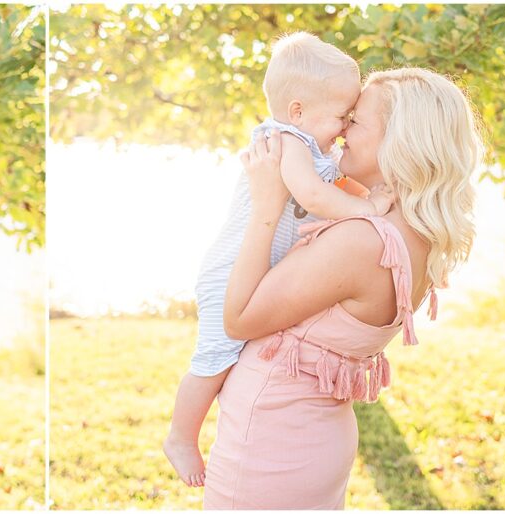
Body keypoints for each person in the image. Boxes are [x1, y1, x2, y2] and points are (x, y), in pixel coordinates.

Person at [203, 67, 483, 508]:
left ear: (398, 140)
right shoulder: (412, 232)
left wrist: (266, 205)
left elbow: (239, 319)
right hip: (308, 436)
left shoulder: (361, 240)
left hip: (271, 446)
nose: (342, 130)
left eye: (355, 120)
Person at [164, 32, 393, 487]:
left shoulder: (314, 148)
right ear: (297, 112)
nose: (345, 127)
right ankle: (181, 437)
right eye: (340, 116)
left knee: (230, 354)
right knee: (215, 356)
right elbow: (311, 195)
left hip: (256, 265)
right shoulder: (286, 141)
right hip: (230, 270)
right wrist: (367, 207)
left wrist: (369, 191)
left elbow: (326, 192)